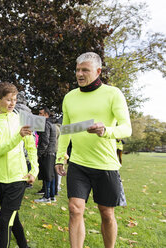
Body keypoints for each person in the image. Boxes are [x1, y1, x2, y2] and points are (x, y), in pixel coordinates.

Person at [55, 52, 132, 248]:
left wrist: (106, 130)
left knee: (106, 212)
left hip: (105, 164)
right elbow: (65, 130)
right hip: (78, 163)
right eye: (77, 70)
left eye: (85, 70)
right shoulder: (70, 97)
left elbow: (126, 128)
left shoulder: (113, 94)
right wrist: (59, 157)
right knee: (75, 209)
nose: (80, 74)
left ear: (98, 71)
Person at [0, 82, 39, 248]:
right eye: (8, 100)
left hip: (18, 178)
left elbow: (31, 147)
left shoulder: (22, 120)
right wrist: (17, 136)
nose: (12, 103)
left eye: (14, 99)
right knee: (13, 219)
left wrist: (34, 170)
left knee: (4, 221)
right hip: (0, 179)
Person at [35, 107, 57, 203]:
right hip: (52, 152)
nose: (39, 116)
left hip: (47, 153)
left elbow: (45, 141)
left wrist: (39, 153)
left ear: (46, 115)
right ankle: (51, 196)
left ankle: (46, 196)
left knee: (47, 176)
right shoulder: (52, 123)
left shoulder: (45, 124)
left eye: (41, 114)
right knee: (51, 175)